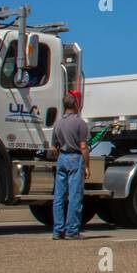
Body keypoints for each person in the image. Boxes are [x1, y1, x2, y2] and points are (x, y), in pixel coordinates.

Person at [51, 93, 90, 239]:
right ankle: (72, 231)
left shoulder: (58, 123)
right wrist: (87, 166)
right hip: (75, 158)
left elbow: (53, 147)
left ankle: (58, 230)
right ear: (75, 105)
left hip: (62, 157)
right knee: (75, 196)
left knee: (59, 197)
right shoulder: (80, 123)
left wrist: (60, 157)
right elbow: (84, 147)